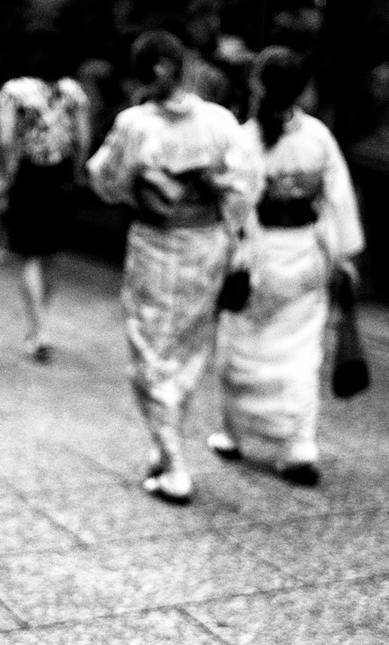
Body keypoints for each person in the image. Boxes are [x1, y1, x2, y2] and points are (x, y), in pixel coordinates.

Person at [88, 29, 262, 504]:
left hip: (155, 243)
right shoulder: (221, 122)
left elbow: (104, 178)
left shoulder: (134, 125)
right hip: (206, 246)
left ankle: (175, 465)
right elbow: (245, 187)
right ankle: (164, 448)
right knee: (186, 350)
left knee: (150, 350)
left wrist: (144, 191)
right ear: (183, 66)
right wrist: (227, 224)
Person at [211, 47, 364, 486]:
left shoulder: (242, 140)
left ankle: (234, 433)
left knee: (241, 349)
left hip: (255, 259)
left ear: (257, 86)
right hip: (304, 256)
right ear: (303, 90)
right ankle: (298, 447)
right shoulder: (318, 137)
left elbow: (232, 206)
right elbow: (338, 201)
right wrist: (344, 258)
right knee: (299, 355)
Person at [0, 49, 92, 363]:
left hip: (28, 175)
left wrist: (8, 170)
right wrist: (76, 170)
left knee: (29, 254)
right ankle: (39, 325)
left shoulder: (14, 91)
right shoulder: (73, 91)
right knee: (52, 253)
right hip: (61, 175)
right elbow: (83, 137)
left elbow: (6, 138)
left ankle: (37, 327)